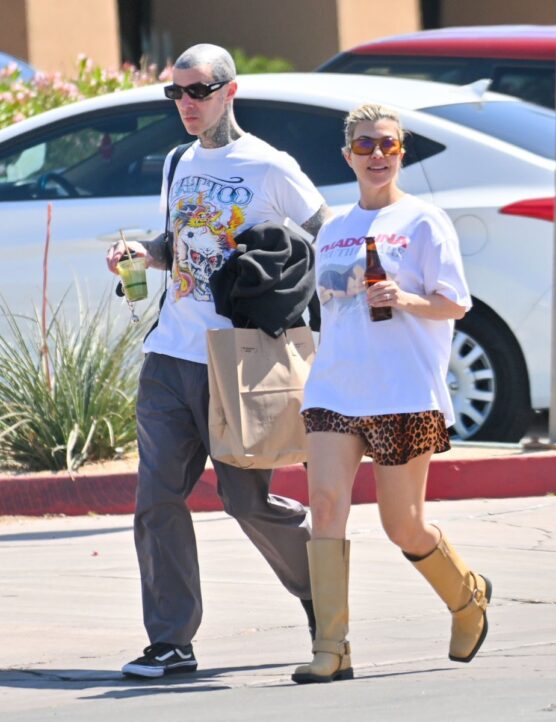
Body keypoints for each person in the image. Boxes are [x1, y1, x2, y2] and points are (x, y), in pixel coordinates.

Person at [106, 43, 329, 679]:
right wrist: (142, 254)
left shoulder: (268, 165)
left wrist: (283, 283)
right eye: (175, 93)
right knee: (157, 502)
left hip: (234, 358)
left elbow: (326, 233)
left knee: (246, 499)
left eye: (197, 91)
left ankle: (322, 594)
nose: (185, 104)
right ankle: (172, 641)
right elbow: (174, 242)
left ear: (231, 91)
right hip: (169, 354)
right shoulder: (177, 160)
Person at [291, 103, 491, 684]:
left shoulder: (425, 221)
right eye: (365, 146)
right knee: (325, 507)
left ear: (401, 152)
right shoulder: (333, 229)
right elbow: (331, 311)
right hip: (335, 388)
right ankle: (332, 647)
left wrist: (405, 299)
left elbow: (455, 302)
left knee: (402, 524)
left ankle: (466, 596)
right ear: (347, 155)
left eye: (388, 145)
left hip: (403, 390)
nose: (377, 155)